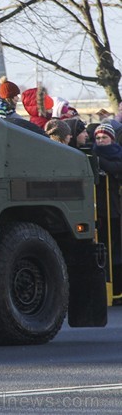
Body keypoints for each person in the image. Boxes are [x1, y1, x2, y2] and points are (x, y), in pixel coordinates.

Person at [92, 122, 122, 294]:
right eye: (97, 138)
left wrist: (98, 160)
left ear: (111, 139)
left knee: (116, 249)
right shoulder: (93, 155)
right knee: (105, 249)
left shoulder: (117, 154)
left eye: (104, 137)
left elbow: (115, 167)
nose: (100, 141)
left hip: (116, 210)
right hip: (102, 211)